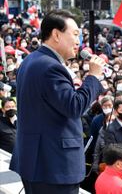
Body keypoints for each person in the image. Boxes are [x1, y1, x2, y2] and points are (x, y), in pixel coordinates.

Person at [10, 10, 105, 194]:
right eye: (75, 34)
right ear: (56, 34)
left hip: (36, 160)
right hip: (54, 165)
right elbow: (74, 106)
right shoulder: (51, 67)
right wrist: (93, 76)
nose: (79, 41)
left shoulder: (32, 60)